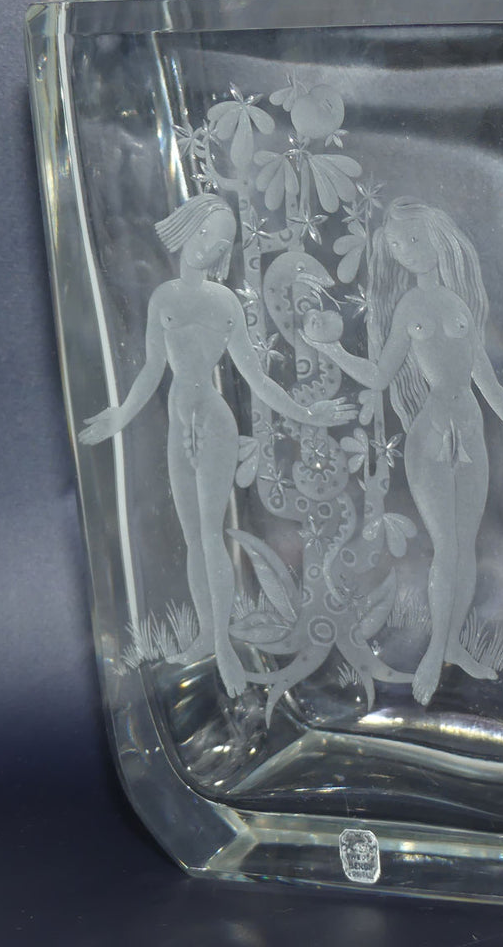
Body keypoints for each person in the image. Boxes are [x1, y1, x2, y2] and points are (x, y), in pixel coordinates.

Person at [304, 197, 503, 706]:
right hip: (431, 433)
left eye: (415, 239)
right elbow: (380, 376)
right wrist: (332, 349)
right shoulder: (409, 308)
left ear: (438, 238)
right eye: (397, 244)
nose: (407, 250)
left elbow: (491, 385)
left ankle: (453, 643)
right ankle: (435, 652)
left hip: (470, 430)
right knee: (447, 546)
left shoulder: (462, 304)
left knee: (466, 545)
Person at [79, 194, 355, 696]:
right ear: (187, 228)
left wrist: (306, 413)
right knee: (193, 537)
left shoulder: (225, 303)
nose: (209, 248)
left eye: (222, 242)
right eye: (205, 234)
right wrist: (121, 415)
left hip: (215, 420)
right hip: (177, 422)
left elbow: (256, 378)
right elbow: (150, 370)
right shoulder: (162, 298)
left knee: (211, 534)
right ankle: (208, 634)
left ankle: (224, 646)